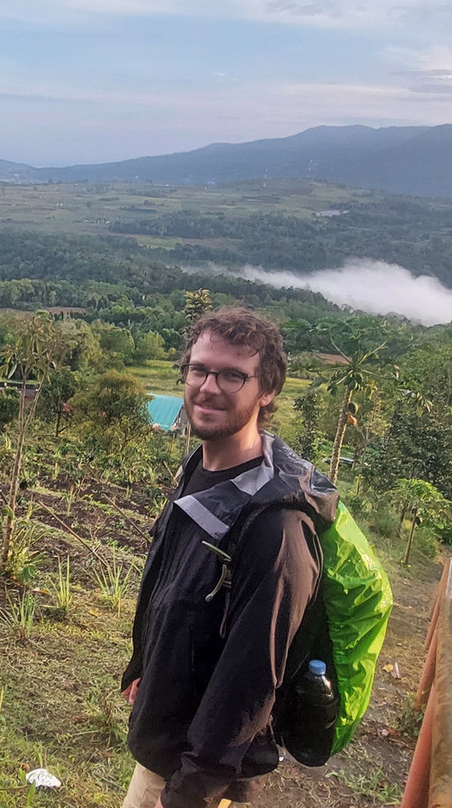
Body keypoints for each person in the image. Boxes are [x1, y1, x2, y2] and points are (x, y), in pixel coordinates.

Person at [121, 307, 338, 808]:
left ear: (267, 392)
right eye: (199, 369)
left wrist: (191, 793)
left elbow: (251, 681)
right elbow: (175, 590)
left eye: (232, 375)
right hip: (169, 741)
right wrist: (144, 667)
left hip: (198, 775)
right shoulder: (200, 466)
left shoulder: (276, 525)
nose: (209, 386)